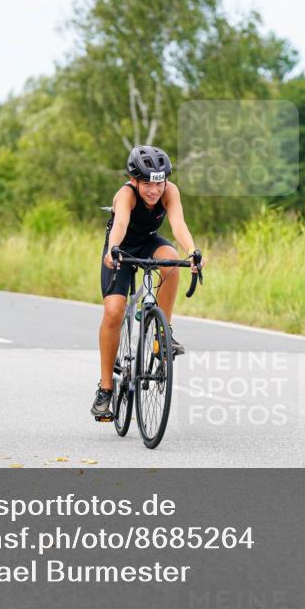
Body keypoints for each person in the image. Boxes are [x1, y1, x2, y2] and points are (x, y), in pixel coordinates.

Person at [91, 145, 203, 421]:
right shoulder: (125, 195)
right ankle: (105, 389)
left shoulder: (170, 191)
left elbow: (178, 224)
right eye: (146, 184)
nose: (154, 190)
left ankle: (162, 334)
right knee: (114, 311)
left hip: (149, 243)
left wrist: (193, 251)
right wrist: (113, 249)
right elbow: (120, 226)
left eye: (159, 182)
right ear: (134, 181)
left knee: (171, 260)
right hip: (121, 249)